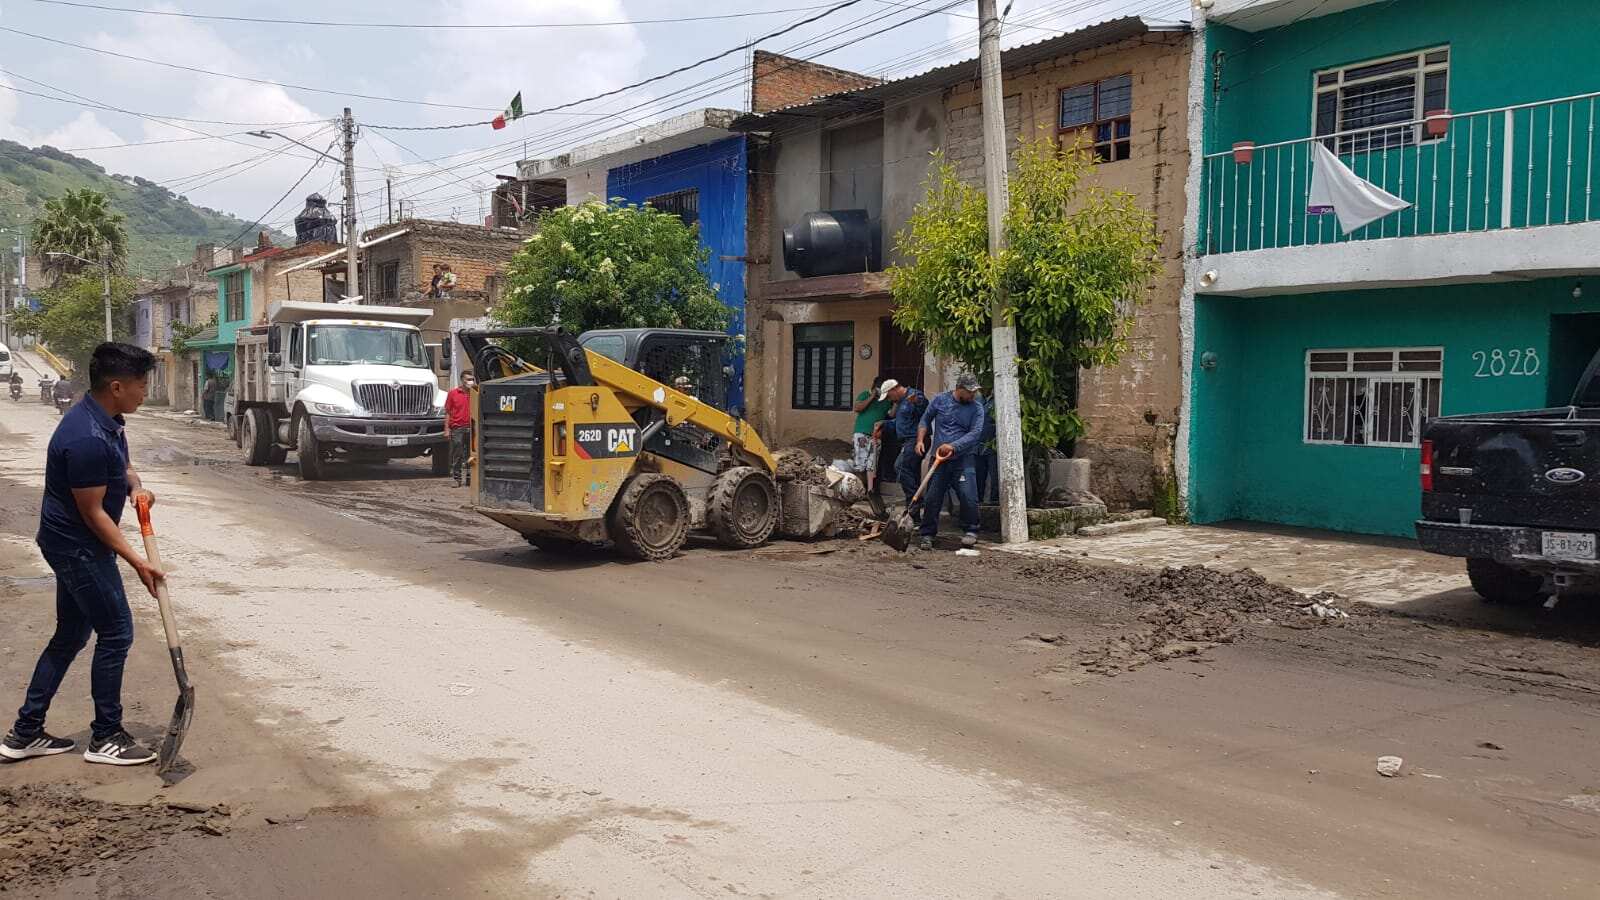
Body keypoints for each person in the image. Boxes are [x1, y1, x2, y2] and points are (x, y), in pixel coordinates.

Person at [1, 342, 164, 766]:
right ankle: (106, 736)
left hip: (76, 543)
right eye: (142, 385)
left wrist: (135, 487)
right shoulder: (85, 438)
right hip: (77, 547)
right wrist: (138, 561)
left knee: (71, 635)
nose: (146, 392)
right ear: (116, 386)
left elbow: (125, 467)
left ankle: (25, 733)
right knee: (116, 632)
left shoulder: (108, 420)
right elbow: (93, 515)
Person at [915, 372, 987, 551]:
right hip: (938, 460)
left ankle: (971, 530)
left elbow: (974, 434)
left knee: (968, 496)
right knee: (932, 497)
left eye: (974, 392)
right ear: (959, 389)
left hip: (963, 459)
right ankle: (927, 534)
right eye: (969, 392)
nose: (973, 395)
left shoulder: (977, 409)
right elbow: (925, 419)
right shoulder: (940, 400)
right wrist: (919, 440)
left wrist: (953, 446)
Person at [880, 379, 928, 505]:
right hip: (906, 441)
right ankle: (914, 512)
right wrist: (884, 424)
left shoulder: (915, 395)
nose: (890, 400)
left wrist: (917, 402)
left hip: (916, 440)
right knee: (912, 474)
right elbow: (900, 422)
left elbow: (925, 409)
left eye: (889, 396)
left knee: (900, 467)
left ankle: (914, 502)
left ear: (894, 389)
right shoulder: (900, 403)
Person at [851, 375, 892, 491]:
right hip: (862, 434)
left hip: (876, 436)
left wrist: (897, 402)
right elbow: (857, 408)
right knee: (860, 464)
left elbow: (891, 415)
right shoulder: (865, 394)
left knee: (872, 465)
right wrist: (872, 397)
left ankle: (870, 490)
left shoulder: (886, 401)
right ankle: (858, 489)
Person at [444, 371, 476, 487]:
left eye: (472, 379)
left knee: (471, 454)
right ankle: (456, 478)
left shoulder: (475, 393)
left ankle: (470, 478)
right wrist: (446, 429)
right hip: (457, 428)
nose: (470, 381)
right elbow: (447, 412)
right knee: (457, 453)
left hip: (472, 428)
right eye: (468, 379)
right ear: (462, 380)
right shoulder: (453, 393)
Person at [971, 392, 1000, 504]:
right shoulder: (977, 398)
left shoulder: (998, 398)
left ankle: (995, 502)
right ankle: (978, 503)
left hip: (992, 446)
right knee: (978, 477)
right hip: (977, 446)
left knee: (995, 477)